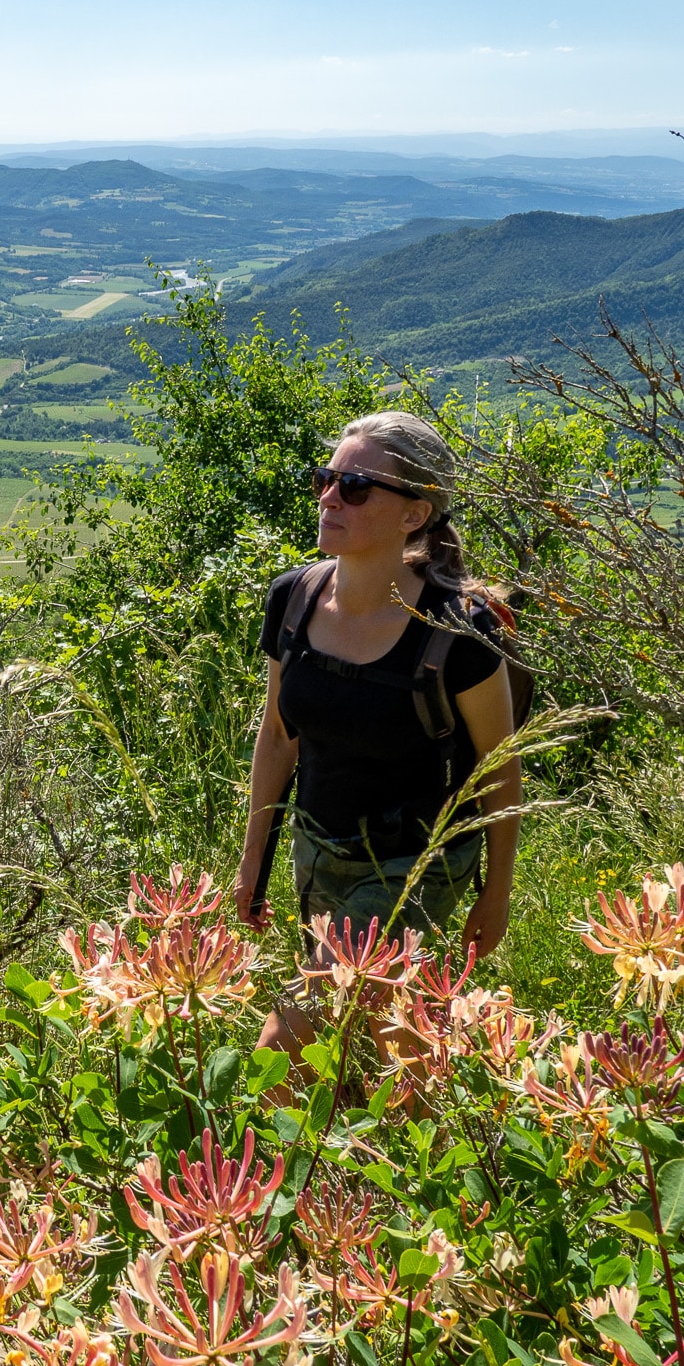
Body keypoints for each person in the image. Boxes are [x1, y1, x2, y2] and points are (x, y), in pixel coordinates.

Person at [231, 410, 520, 1062]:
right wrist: (254, 861)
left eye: (355, 487)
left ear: (414, 515)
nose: (330, 497)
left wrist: (494, 896)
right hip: (317, 858)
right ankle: (417, 1155)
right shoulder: (294, 600)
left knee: (285, 1047)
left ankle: (409, 1155)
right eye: (325, 479)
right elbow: (279, 737)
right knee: (391, 1047)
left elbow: (501, 772)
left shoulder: (457, 633)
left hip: (411, 865)